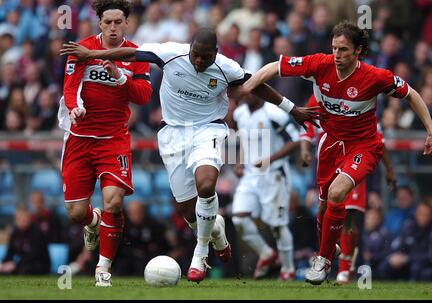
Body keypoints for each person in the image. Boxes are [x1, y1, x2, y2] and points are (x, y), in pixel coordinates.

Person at [60, 27, 318, 282]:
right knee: (187, 208)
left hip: (209, 129)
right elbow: (132, 53)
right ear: (190, 47)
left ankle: (201, 252)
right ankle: (215, 231)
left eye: (205, 56)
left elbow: (257, 86)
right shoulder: (171, 53)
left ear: (215, 53)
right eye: (195, 54)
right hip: (173, 134)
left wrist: (292, 109)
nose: (198, 61)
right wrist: (90, 54)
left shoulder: (227, 67)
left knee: (206, 185)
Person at [234, 21, 432, 285]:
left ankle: (325, 260)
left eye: (344, 50)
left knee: (339, 194)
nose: (337, 55)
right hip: (330, 144)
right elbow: (274, 67)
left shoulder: (375, 77)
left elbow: (412, 94)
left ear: (358, 51)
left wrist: (430, 128)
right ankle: (331, 249)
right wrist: (247, 88)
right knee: (325, 205)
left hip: (363, 146)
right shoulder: (319, 64)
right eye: (334, 48)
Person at [58, 0, 153, 287]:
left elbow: (144, 96)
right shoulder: (82, 48)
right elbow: (70, 86)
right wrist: (75, 107)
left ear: (127, 23)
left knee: (114, 201)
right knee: (76, 213)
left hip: (114, 140)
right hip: (79, 138)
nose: (113, 27)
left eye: (118, 22)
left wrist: (120, 76)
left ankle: (103, 269)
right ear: (100, 23)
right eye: (107, 22)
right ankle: (92, 220)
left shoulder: (136, 55)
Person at [300, 94, 397, 284]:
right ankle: (329, 253)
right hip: (327, 160)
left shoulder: (359, 94)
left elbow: (378, 138)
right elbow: (306, 131)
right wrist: (305, 153)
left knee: (350, 214)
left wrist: (388, 172)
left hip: (354, 159)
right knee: (324, 210)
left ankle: (344, 269)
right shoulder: (315, 98)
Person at [231, 93, 299, 281]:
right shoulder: (240, 113)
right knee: (238, 219)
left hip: (274, 174)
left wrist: (270, 159)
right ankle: (267, 254)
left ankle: (288, 268)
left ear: (259, 90)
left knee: (277, 225)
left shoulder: (274, 113)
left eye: (250, 90)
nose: (244, 94)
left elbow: (295, 140)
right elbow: (244, 141)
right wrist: (239, 161)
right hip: (250, 175)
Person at [0, 207, 50, 275]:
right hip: (22, 263)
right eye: (20, 219)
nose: (23, 221)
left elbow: (34, 254)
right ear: (16, 220)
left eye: (25, 219)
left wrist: (15, 265)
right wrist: (4, 264)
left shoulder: (37, 232)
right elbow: (10, 252)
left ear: (29, 219)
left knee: (25, 270)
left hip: (38, 264)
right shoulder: (15, 233)